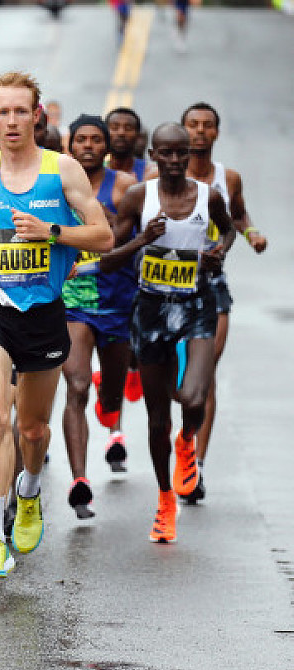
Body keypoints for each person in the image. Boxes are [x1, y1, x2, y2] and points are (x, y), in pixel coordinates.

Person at [0, 72, 113, 582]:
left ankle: (31, 489)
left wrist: (52, 231)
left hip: (43, 313)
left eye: (22, 111)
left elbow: (103, 236)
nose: (12, 121)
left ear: (36, 115)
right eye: (3, 112)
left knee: (33, 429)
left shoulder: (63, 170)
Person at [100, 122, 234, 543]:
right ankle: (164, 500)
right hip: (151, 309)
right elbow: (109, 259)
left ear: (189, 154)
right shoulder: (139, 197)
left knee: (193, 398)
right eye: (167, 153)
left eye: (182, 152)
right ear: (154, 155)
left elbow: (228, 229)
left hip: (197, 305)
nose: (175, 160)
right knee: (157, 418)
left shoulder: (208, 197)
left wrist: (218, 252)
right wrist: (143, 239)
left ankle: (188, 439)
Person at [170, 102, 266, 502]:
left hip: (211, 287)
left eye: (207, 125)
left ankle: (196, 465)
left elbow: (238, 216)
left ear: (216, 133)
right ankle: (181, 439)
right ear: (182, 131)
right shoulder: (164, 178)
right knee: (176, 384)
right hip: (168, 288)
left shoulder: (229, 178)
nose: (199, 131)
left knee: (205, 373)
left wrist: (252, 234)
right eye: (192, 124)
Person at [60, 115, 138, 518]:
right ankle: (80, 482)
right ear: (70, 146)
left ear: (106, 146)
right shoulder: (56, 186)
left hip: (116, 301)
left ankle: (110, 405)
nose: (88, 145)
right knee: (76, 387)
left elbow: (124, 243)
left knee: (110, 394)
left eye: (95, 139)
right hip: (72, 302)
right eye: (81, 139)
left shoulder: (124, 187)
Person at [106, 107, 151, 180]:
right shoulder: (93, 174)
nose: (121, 133)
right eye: (115, 128)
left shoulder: (151, 174)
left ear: (137, 135)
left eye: (128, 128)